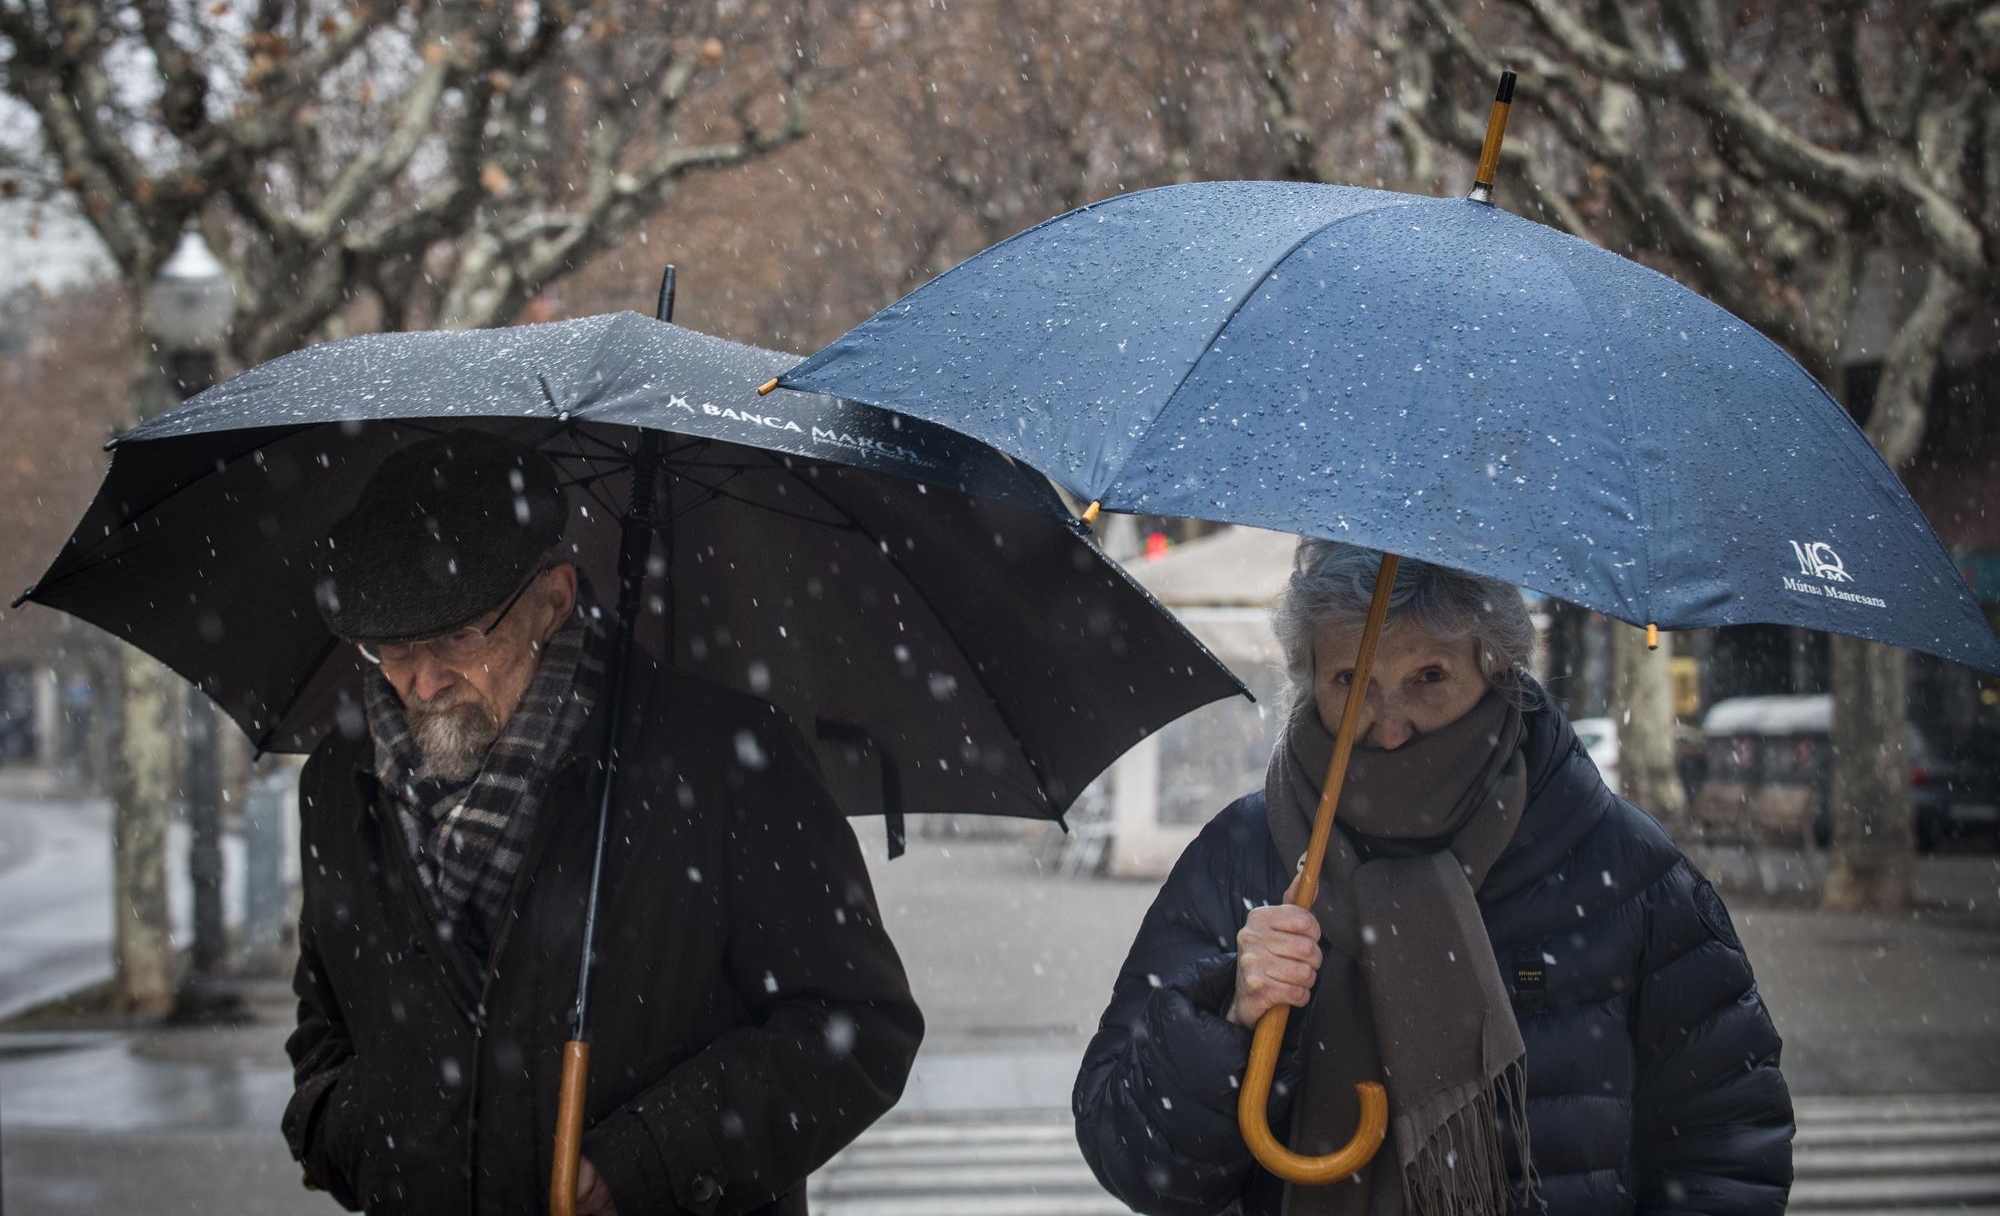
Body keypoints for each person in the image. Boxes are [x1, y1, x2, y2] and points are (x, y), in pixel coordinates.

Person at [281, 430, 923, 1215]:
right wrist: (370, 1141)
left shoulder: (726, 761)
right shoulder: (339, 786)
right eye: (391, 644)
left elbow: (857, 1027)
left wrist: (645, 1162)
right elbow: (323, 1037)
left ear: (553, 600)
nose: (422, 679)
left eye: (457, 634)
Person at [1074, 539, 1793, 1215]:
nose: (1390, 724)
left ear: (1497, 667)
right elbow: (1131, 1153)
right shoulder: (1240, 854)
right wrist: (1227, 1015)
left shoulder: (1624, 866)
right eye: (1352, 679)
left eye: (1428, 678)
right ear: (1309, 680)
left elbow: (1726, 1149)